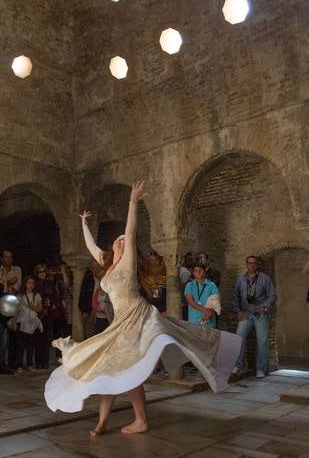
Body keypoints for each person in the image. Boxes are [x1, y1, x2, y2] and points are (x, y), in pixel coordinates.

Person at [45, 181, 241, 436]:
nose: (120, 239)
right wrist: (83, 224)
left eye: (123, 240)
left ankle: (140, 420)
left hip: (137, 318)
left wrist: (133, 203)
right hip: (120, 323)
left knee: (127, 369)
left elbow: (131, 229)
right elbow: (92, 247)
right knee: (108, 370)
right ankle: (102, 422)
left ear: (127, 248)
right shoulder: (107, 264)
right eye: (118, 239)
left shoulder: (127, 264)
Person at [232, 255, 277, 378]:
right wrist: (238, 311)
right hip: (245, 314)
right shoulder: (241, 279)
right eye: (250, 263)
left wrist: (265, 306)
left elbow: (272, 295)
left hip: (260, 314)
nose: (252, 265)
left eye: (254, 263)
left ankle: (260, 369)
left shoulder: (265, 278)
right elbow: (235, 296)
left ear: (257, 265)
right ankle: (237, 365)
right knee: (238, 338)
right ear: (246, 265)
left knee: (262, 341)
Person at [16, 276, 43, 371]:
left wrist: (32, 307)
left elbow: (40, 309)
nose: (31, 285)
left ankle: (29, 364)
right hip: (22, 321)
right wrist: (14, 322)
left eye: (32, 283)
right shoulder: (20, 296)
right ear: (25, 284)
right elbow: (16, 310)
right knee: (21, 345)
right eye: (29, 283)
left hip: (32, 323)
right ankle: (19, 365)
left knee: (30, 344)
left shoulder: (37, 295)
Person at [184, 263, 220, 328]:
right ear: (193, 273)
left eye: (201, 270)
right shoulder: (189, 285)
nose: (198, 272)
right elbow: (191, 302)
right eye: (196, 270)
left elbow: (216, 302)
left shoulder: (212, 285)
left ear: (204, 272)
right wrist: (206, 311)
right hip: (194, 321)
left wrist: (209, 313)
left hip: (209, 322)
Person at [79, 260, 105, 338]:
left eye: (98, 267)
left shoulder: (107, 280)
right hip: (89, 314)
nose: (96, 270)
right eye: (93, 268)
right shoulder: (88, 280)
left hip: (105, 316)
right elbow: (82, 297)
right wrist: (85, 312)